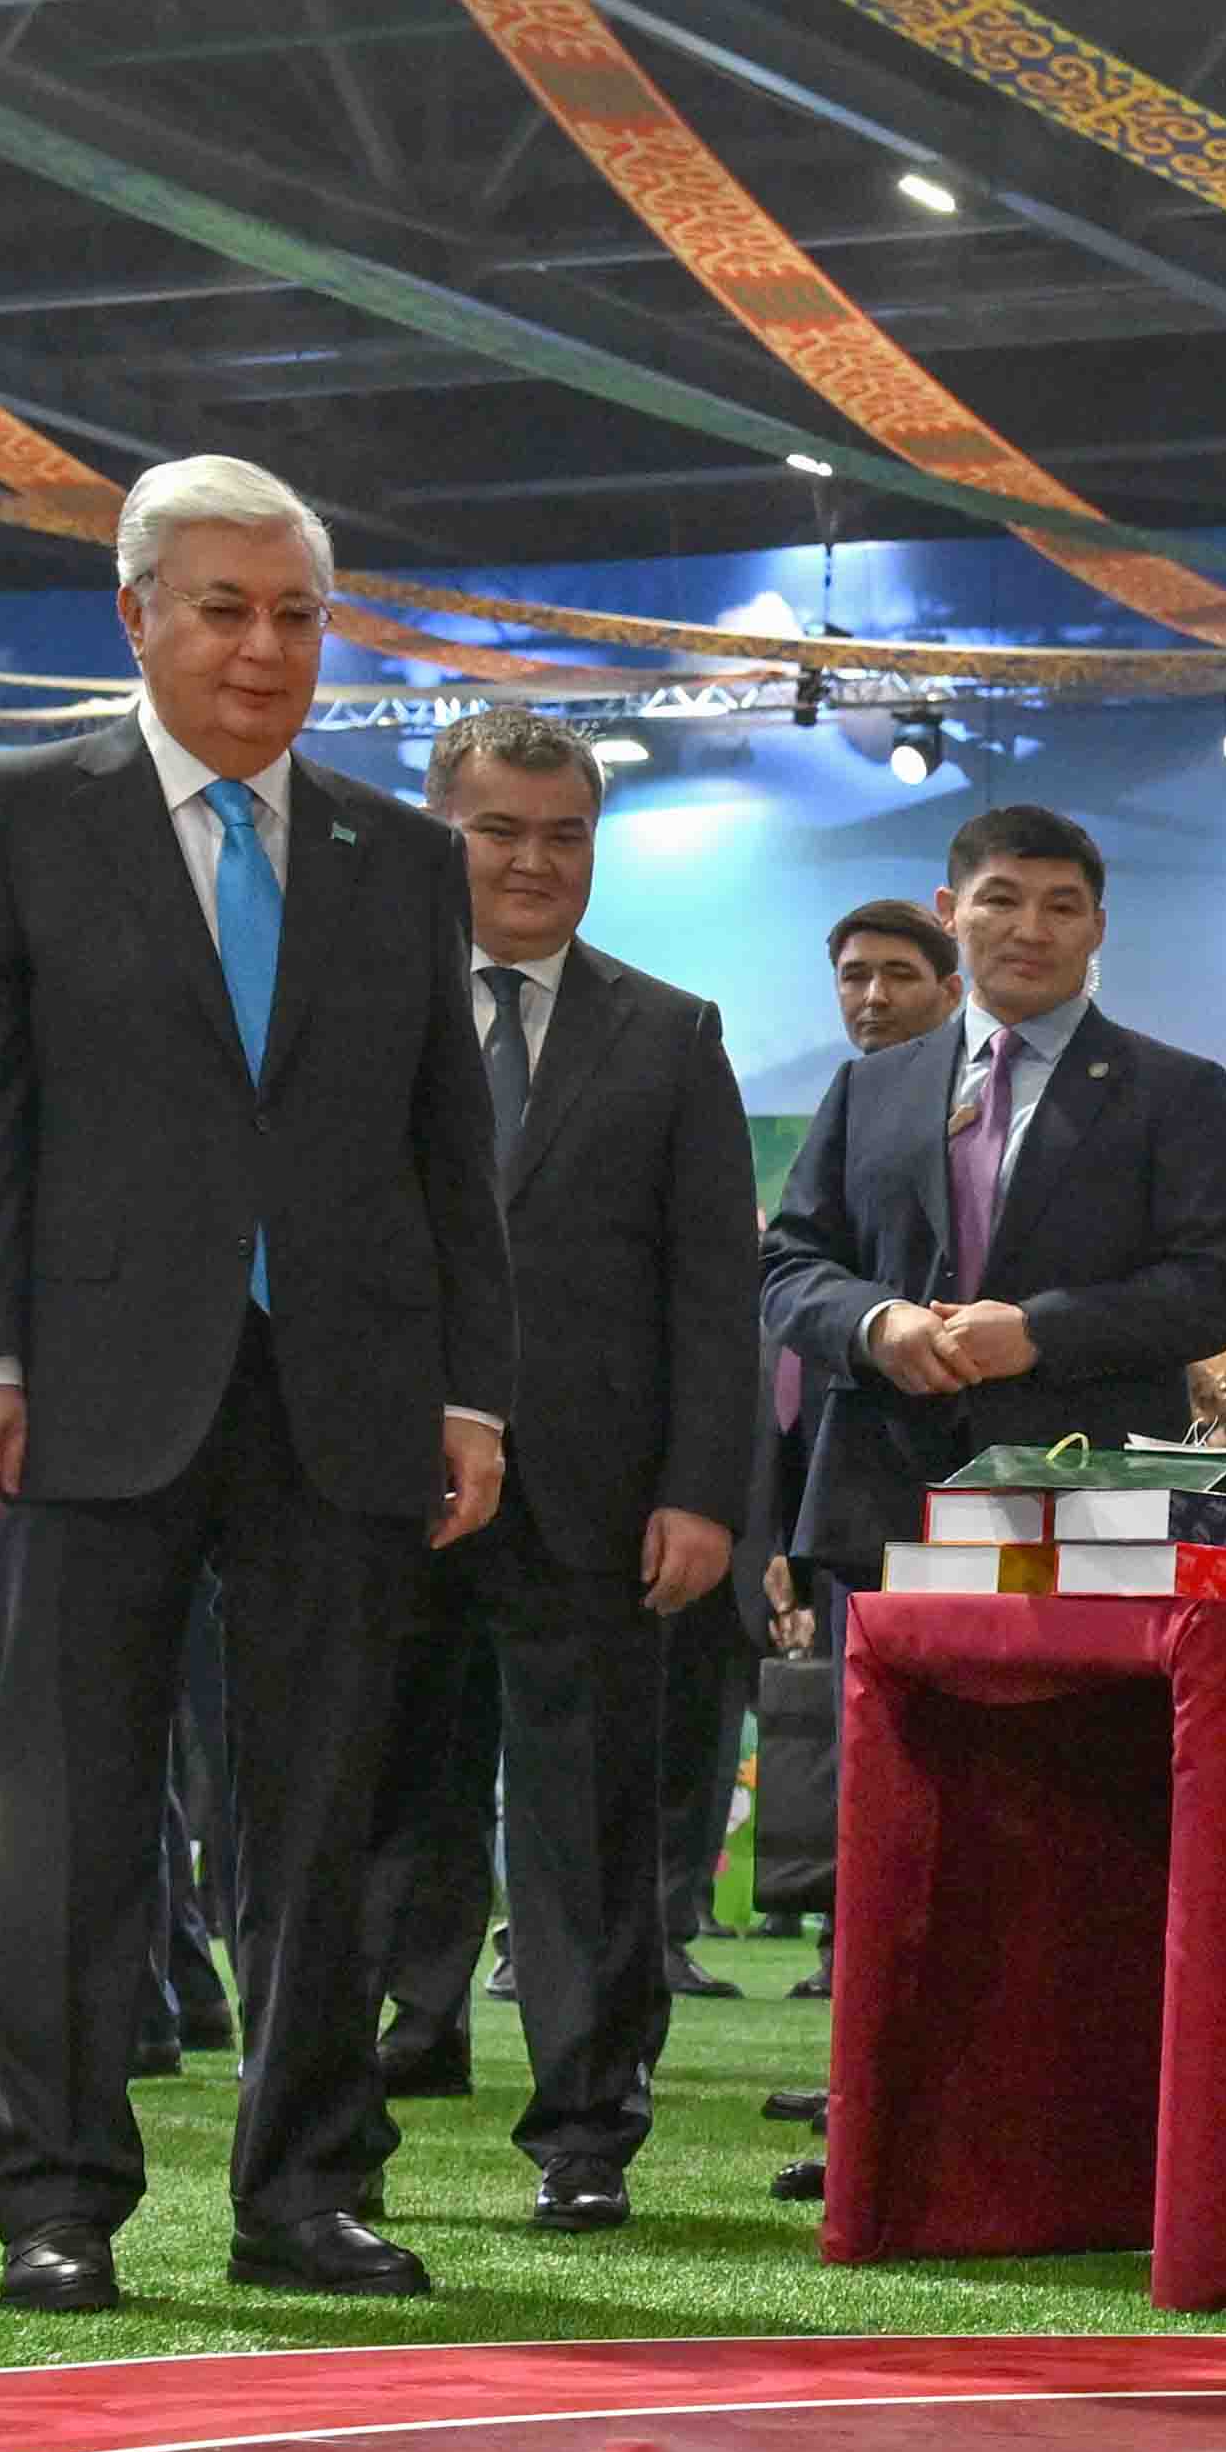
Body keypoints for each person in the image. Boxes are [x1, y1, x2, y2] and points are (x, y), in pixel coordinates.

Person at [0, 454, 510, 2316]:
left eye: (298, 615)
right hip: (80, 1395)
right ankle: (58, 2199)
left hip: (344, 1397)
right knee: (71, 1816)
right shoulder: (14, 813)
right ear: (136, 617)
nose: (265, 649)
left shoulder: (400, 855)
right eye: (226, 609)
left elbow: (447, 1150)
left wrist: (470, 1397)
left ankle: (308, 2191)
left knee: (324, 1820)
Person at [361, 715, 750, 2229]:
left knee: (589, 1830)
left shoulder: (671, 1032)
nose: (533, 861)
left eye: (565, 835)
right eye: (499, 830)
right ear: (436, 832)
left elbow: (713, 1290)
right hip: (376, 1488)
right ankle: (344, 2118)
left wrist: (703, 1491)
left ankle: (587, 2136)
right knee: (373, 1810)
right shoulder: (353, 1010)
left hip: (600, 1504)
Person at [761, 805, 1226, 1575]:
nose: (1030, 929)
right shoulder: (868, 1088)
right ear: (949, 911)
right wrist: (874, 1322)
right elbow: (789, 1265)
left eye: (1061, 907)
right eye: (1000, 899)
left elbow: (1222, 1285)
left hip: (1092, 1510)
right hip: (884, 1505)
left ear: (1096, 928)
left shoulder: (1176, 1091)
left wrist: (1038, 1331)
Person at [740, 897, 962, 2006]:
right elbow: (792, 1275)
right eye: (853, 977)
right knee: (863, 1744)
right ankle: (854, 1973)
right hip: (856, 1485)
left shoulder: (1013, 1109)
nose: (872, 998)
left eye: (898, 975)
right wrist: (875, 1322)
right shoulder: (849, 1104)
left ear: (952, 991)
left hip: (1012, 1475)